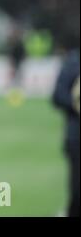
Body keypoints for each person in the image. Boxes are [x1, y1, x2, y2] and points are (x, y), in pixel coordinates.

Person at [52, 48, 80, 217]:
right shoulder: (73, 62)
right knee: (77, 192)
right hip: (76, 139)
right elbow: (57, 96)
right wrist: (75, 103)